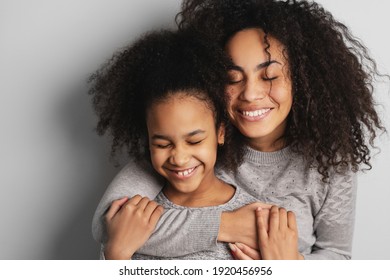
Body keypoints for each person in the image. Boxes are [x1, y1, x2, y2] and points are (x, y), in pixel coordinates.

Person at [91, 0, 385, 260]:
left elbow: (337, 255)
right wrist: (228, 225)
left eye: (269, 76)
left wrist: (292, 266)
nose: (251, 94)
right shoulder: (194, 144)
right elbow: (111, 225)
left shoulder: (329, 160)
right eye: (233, 79)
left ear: (303, 80)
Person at [89, 29, 265, 259]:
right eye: (162, 144)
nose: (179, 158)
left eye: (195, 140)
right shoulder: (131, 215)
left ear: (220, 132)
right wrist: (116, 254)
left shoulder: (253, 220)